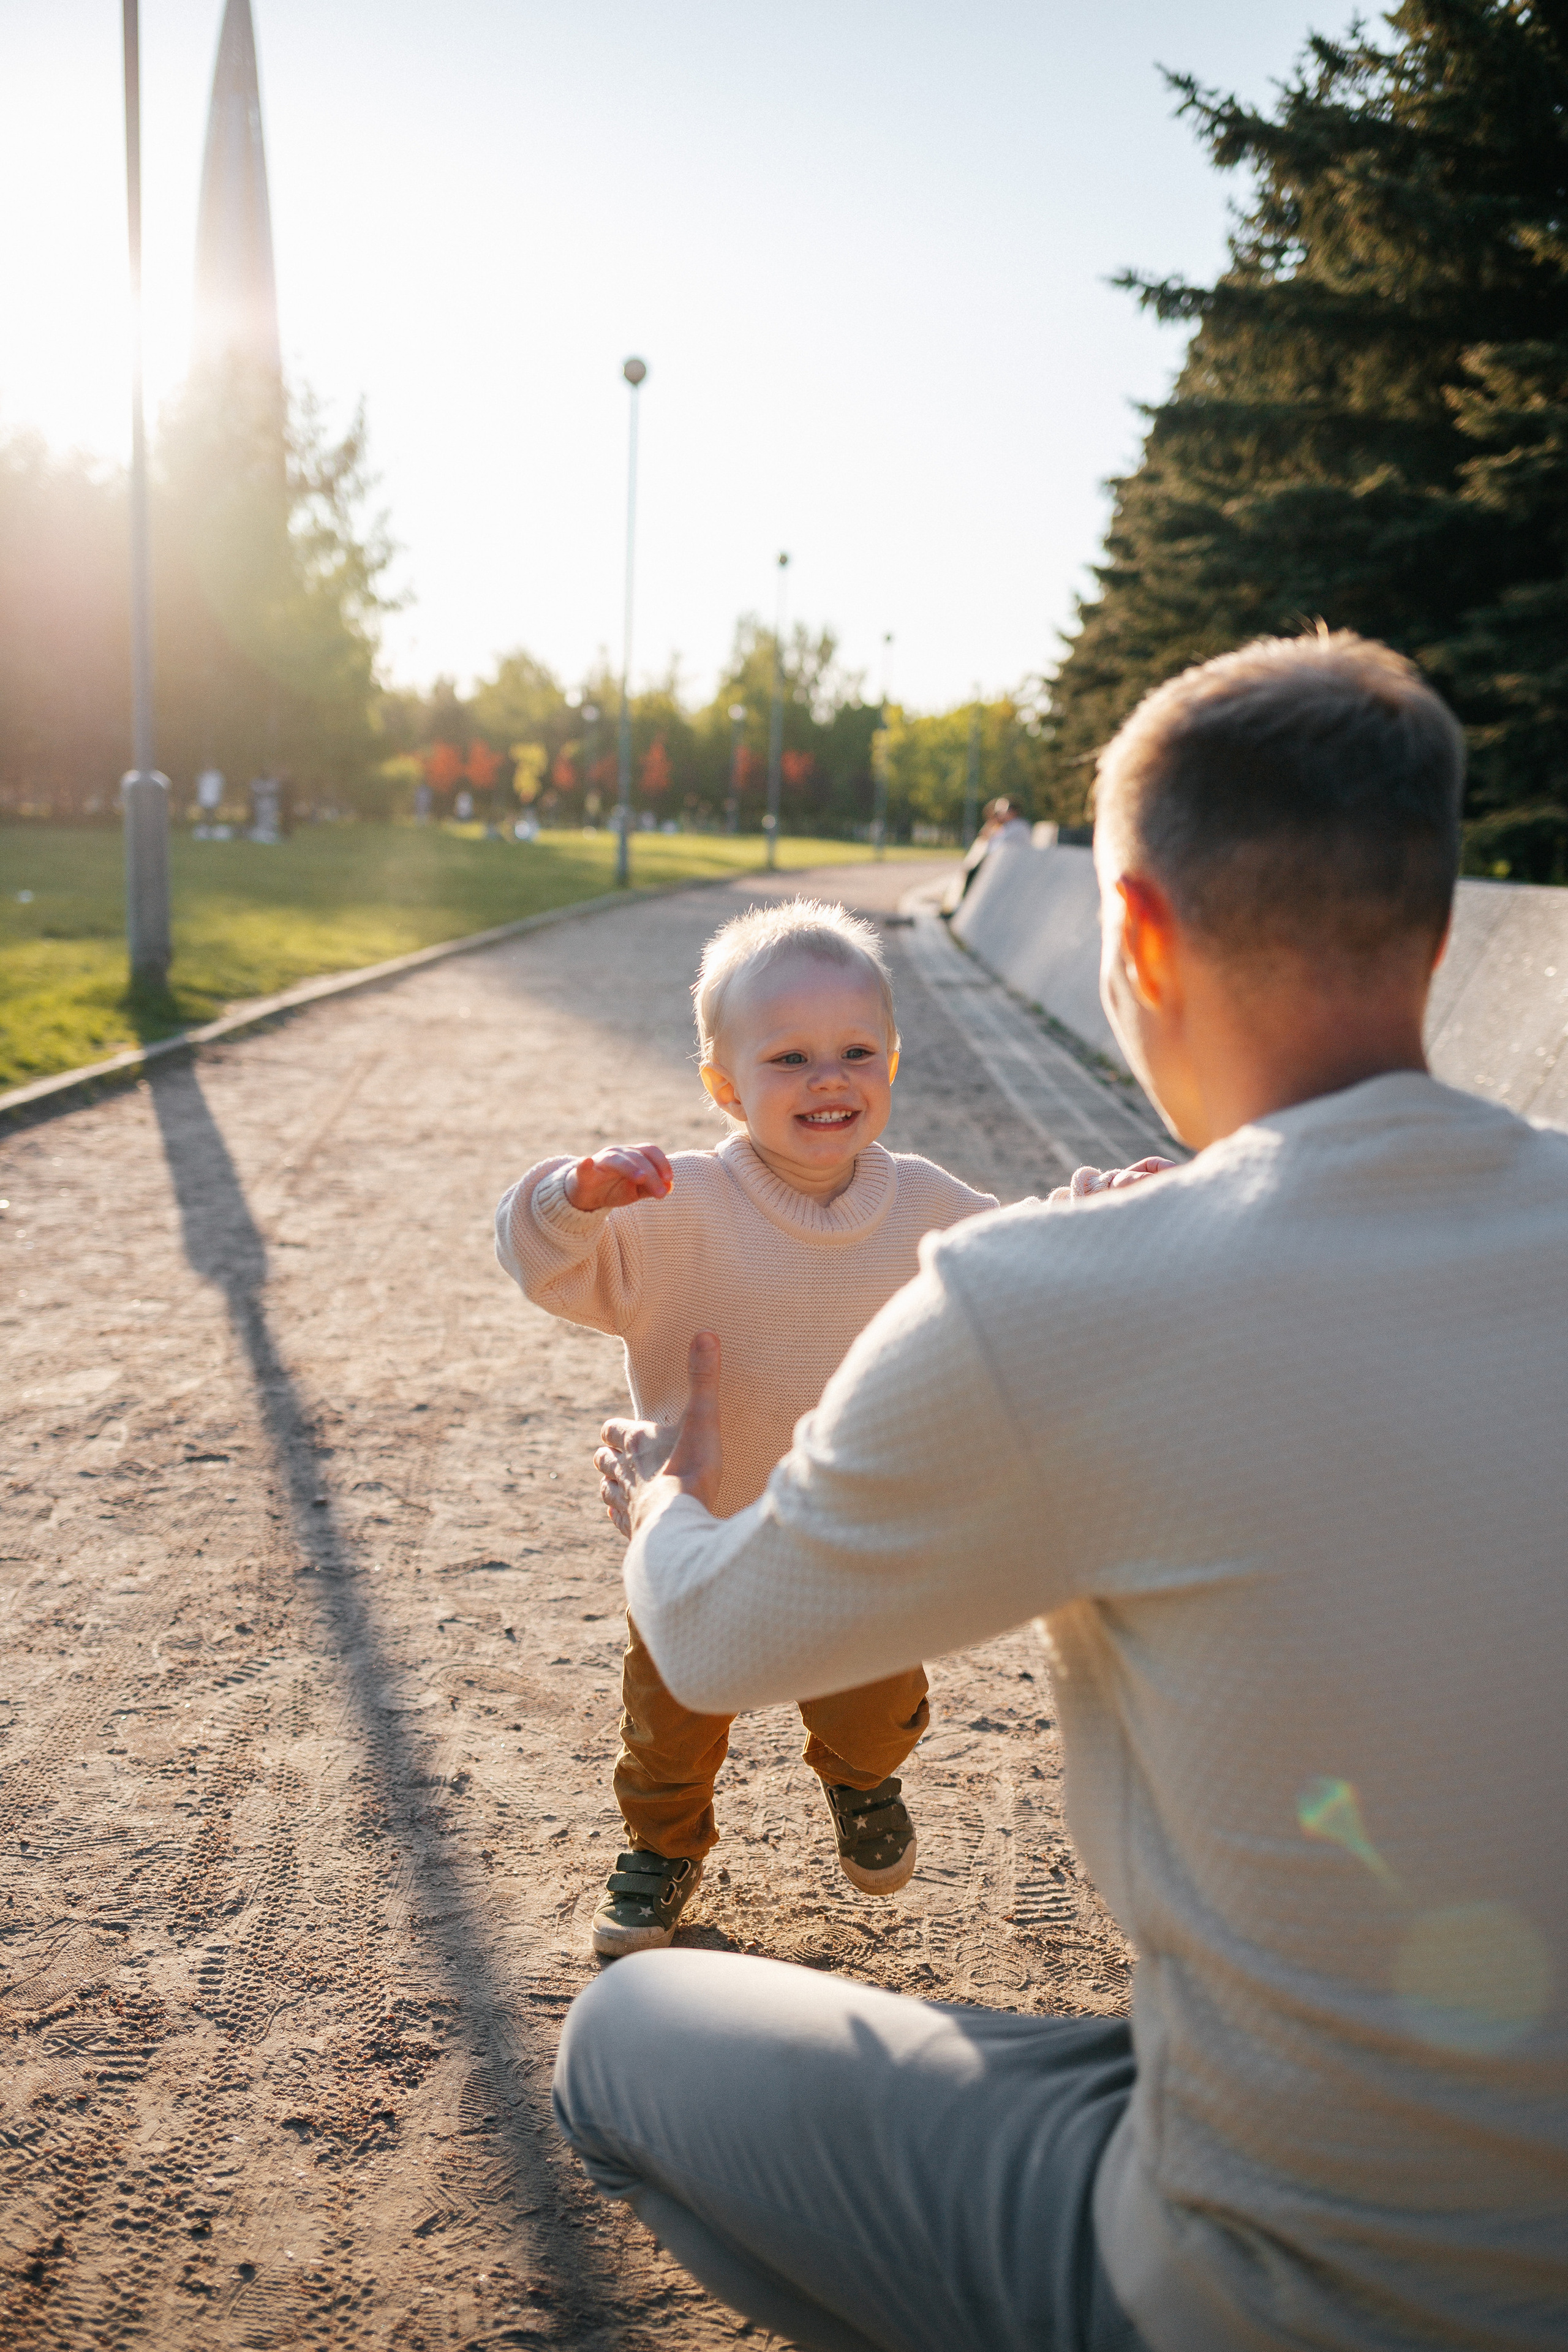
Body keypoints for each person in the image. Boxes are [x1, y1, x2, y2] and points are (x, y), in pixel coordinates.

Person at [554, 630, 1568, 2351]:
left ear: (1139, 936)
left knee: (615, 2049)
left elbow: (720, 1641)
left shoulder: (1054, 1297)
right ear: (1443, 933)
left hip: (1277, 2290)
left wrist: (659, 1501)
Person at [495, 900, 998, 1958]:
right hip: (702, 1535)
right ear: (724, 1086)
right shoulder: (673, 1205)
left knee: (871, 1707)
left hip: (856, 1538)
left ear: (892, 1064)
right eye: (790, 1057)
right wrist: (572, 1198)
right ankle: (663, 1846)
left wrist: (1106, 1202)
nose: (830, 1077)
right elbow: (550, 1265)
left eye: (857, 1050)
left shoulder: (929, 1208)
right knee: (672, 1724)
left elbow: (1031, 1256)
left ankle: (863, 1781)